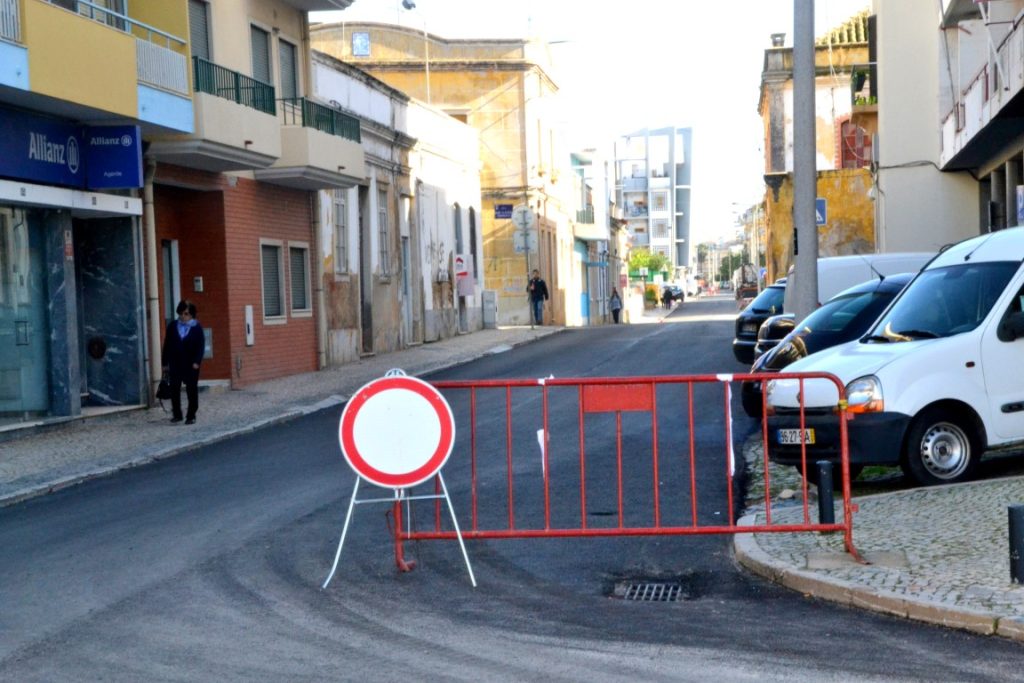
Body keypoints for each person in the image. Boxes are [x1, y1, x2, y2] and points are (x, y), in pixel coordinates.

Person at [162, 299, 205, 425]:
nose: (183, 316)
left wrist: (197, 361)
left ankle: (191, 415)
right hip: (175, 363)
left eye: (186, 314)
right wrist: (165, 363)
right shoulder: (173, 326)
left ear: (191, 314)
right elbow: (167, 345)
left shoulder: (196, 328)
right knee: (175, 389)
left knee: (191, 389)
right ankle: (177, 414)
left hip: (191, 364)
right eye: (181, 313)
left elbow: (200, 346)